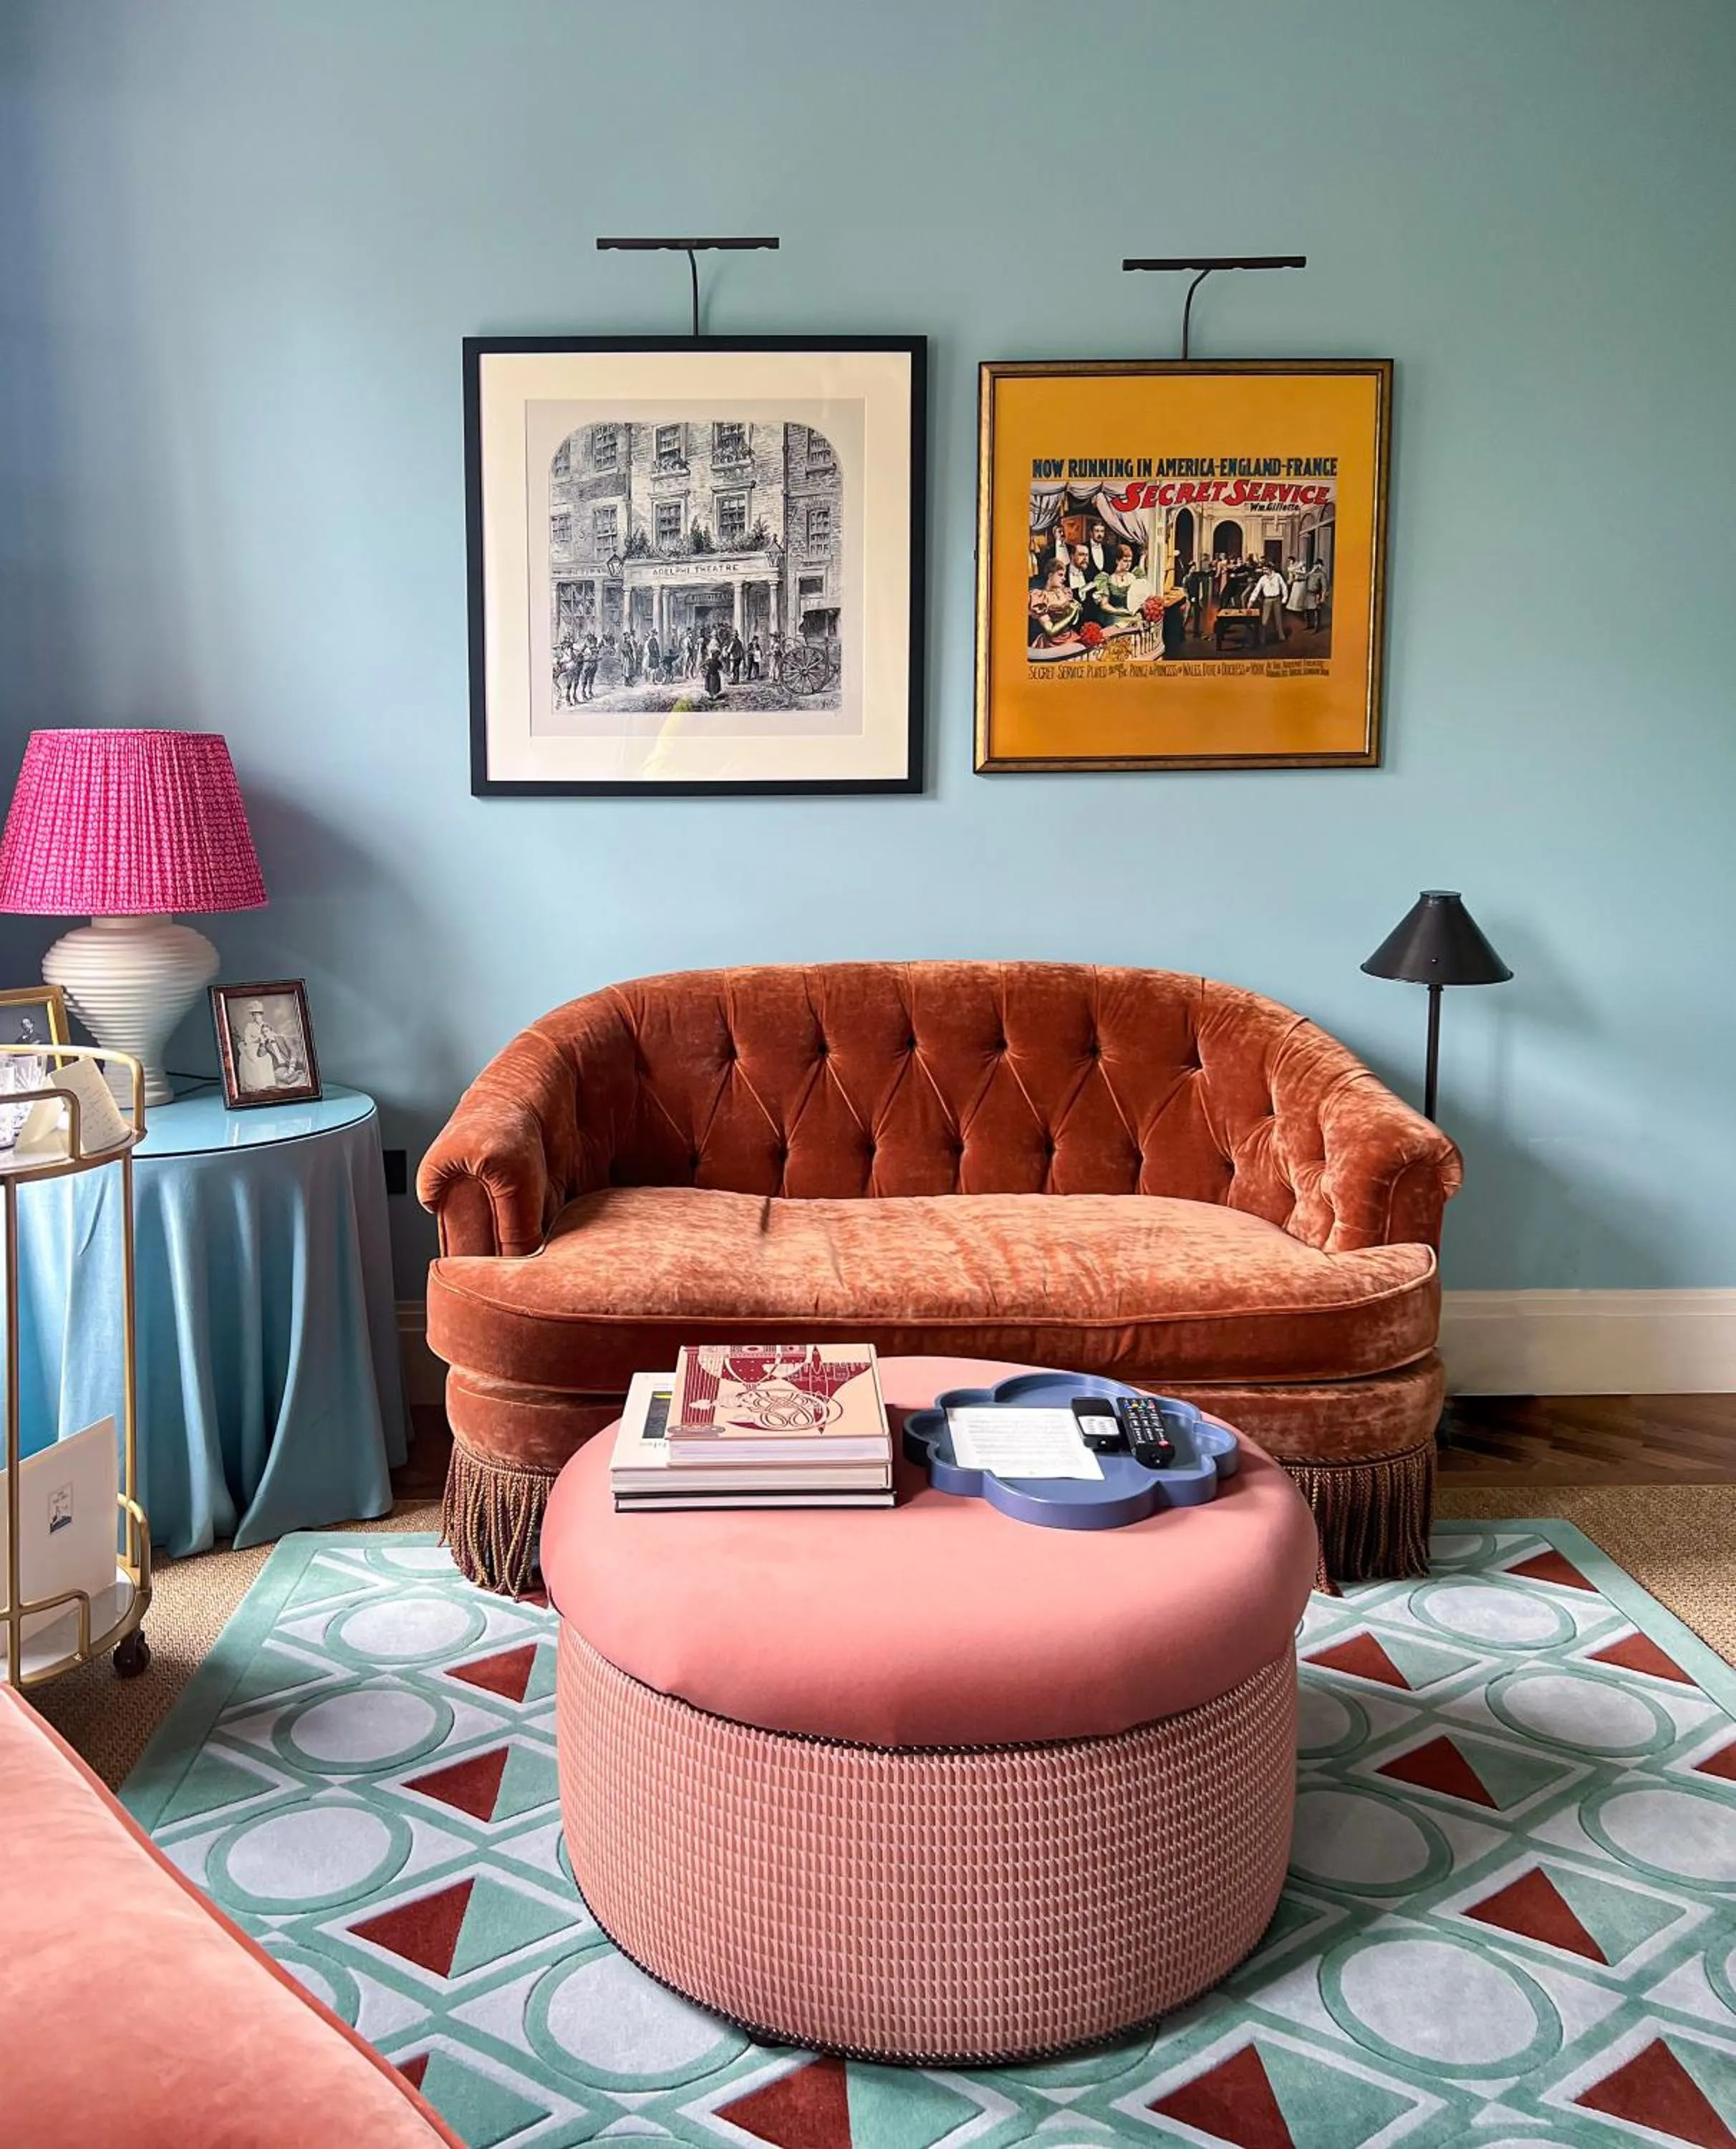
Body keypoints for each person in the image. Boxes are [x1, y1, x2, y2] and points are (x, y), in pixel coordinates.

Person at [1027, 563, 1082, 646]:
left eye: (1064, 575)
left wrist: (1077, 609)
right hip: (1052, 643)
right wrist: (1072, 614)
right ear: (1050, 576)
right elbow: (1051, 631)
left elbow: (1074, 621)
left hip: (1071, 637)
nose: (1064, 579)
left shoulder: (1064, 592)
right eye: (1060, 575)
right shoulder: (1040, 598)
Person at [1252, 560, 1288, 645]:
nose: (1264, 572)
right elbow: (1257, 590)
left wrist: (1284, 599)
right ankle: (1263, 638)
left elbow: (1284, 587)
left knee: (1278, 618)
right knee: (1264, 620)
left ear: (1271, 569)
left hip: (1277, 600)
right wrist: (1252, 600)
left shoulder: (1278, 576)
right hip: (1267, 600)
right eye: (1263, 570)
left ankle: (1281, 635)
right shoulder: (1262, 579)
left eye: (1266, 570)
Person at [1284, 560, 1308, 638]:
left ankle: (1301, 611)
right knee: (1294, 598)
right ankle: (1295, 609)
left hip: (1301, 583)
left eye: (1291, 561)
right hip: (1296, 583)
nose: (1290, 563)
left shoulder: (1301, 566)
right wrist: (1290, 581)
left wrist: (1296, 570)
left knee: (1299, 597)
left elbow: (1304, 573)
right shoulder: (1293, 567)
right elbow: (1291, 572)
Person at [1305, 558, 1328, 631]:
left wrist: (1323, 597)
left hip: (1317, 594)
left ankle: (1316, 627)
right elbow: (1305, 577)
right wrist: (1311, 572)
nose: (1318, 566)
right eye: (1316, 565)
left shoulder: (1322, 574)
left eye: (1319, 565)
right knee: (1307, 611)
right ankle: (1309, 625)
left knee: (1316, 612)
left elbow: (1324, 587)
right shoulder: (1311, 573)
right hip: (1309, 593)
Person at [702, 631, 725, 701]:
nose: (715, 636)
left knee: (714, 682)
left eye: (715, 635)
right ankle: (711, 693)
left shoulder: (716, 641)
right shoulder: (712, 642)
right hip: (712, 663)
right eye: (714, 635)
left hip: (714, 663)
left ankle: (714, 693)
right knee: (710, 681)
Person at [578, 631, 599, 701]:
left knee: (591, 678)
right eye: (589, 637)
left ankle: (590, 691)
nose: (590, 639)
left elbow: (597, 654)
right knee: (585, 678)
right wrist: (584, 655)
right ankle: (583, 692)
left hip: (594, 663)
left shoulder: (595, 646)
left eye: (592, 638)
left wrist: (596, 657)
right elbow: (580, 653)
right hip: (587, 663)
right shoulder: (585, 646)